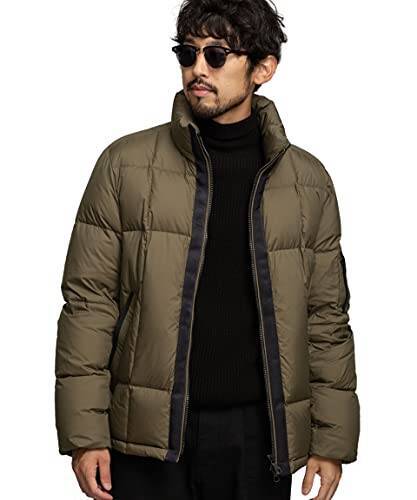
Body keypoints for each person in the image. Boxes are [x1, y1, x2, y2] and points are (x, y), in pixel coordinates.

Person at [54, 1, 360, 498]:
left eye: (217, 55)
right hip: (146, 437)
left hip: (260, 440)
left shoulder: (309, 183)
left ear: (263, 68)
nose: (198, 68)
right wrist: (85, 434)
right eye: (188, 53)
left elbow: (326, 317)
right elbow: (89, 305)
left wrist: (331, 440)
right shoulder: (123, 165)